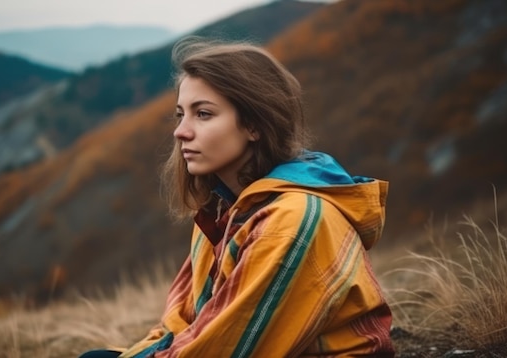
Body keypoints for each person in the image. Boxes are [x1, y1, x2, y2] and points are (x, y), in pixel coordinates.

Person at [80, 37, 394, 357]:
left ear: (254, 125)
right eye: (180, 115)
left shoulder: (292, 220)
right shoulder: (223, 210)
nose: (181, 131)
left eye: (203, 114)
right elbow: (185, 324)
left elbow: (227, 348)